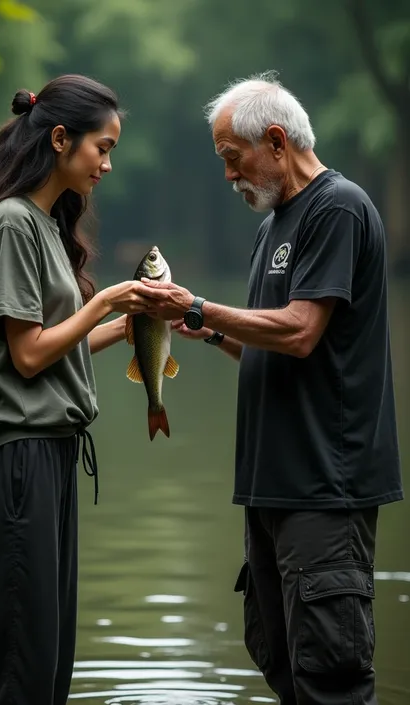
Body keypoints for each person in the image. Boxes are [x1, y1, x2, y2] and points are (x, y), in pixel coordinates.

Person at [140, 71, 403, 705]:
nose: (229, 177)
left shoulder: (337, 207)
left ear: (278, 141)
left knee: (330, 678)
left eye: (234, 159)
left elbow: (301, 332)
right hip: (269, 489)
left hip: (324, 489)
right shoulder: (273, 227)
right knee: (283, 664)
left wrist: (201, 305)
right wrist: (206, 331)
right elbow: (271, 347)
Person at [0, 74, 155, 705]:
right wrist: (110, 296)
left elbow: (59, 348)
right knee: (19, 668)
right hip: (15, 463)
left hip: (49, 458)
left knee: (48, 662)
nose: (107, 165)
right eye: (102, 148)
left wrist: (134, 323)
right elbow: (29, 356)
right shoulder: (11, 223)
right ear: (60, 139)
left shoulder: (44, 226)